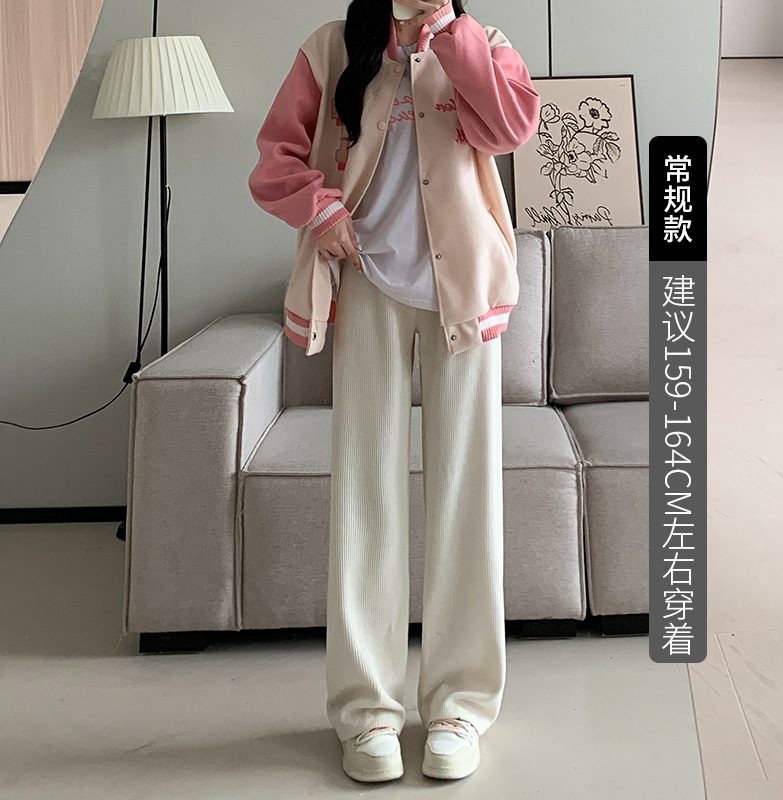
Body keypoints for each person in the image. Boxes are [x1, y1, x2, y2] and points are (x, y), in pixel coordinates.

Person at [248, 0, 540, 783]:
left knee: (466, 499)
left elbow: (513, 126)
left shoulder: (482, 43)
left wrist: (450, 34)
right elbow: (275, 156)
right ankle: (367, 710)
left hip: (462, 295)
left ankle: (459, 706)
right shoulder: (333, 48)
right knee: (365, 498)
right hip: (367, 288)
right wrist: (321, 209)